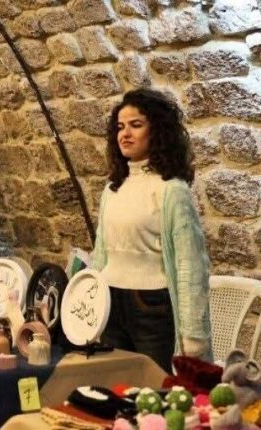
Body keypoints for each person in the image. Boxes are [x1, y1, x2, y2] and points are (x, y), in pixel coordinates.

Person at [90, 88, 212, 373]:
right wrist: (90, 302)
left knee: (154, 388)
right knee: (115, 387)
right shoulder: (112, 190)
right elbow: (100, 253)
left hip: (151, 306)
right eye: (120, 127)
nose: (125, 134)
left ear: (157, 131)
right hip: (110, 302)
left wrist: (193, 335)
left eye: (136, 125)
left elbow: (190, 265)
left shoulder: (172, 190)